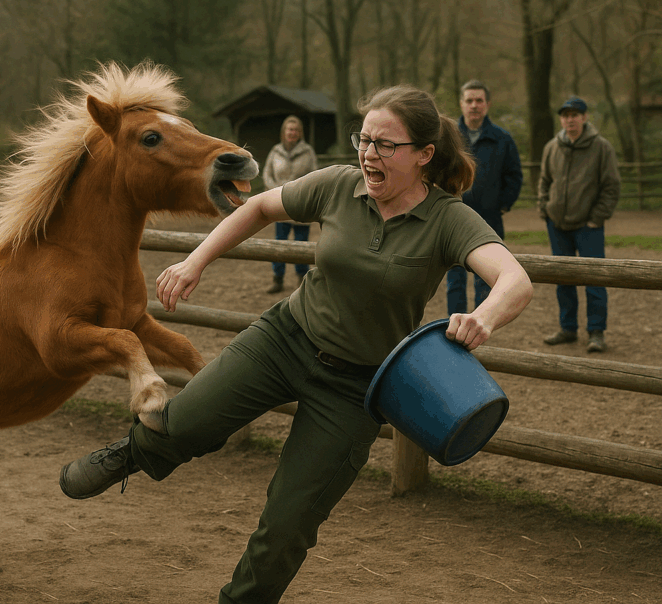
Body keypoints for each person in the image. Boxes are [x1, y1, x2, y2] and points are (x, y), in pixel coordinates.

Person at [59, 85, 533, 604]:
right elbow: (260, 206)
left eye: (385, 146)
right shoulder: (338, 186)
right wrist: (196, 260)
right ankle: (129, 455)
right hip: (284, 340)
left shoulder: (447, 219)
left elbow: (514, 279)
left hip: (356, 388)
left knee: (288, 523)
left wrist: (483, 317)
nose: (369, 154)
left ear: (424, 156)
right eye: (364, 140)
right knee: (187, 422)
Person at [539, 96, 621, 353]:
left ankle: (596, 332)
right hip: (558, 225)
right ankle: (568, 328)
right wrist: (545, 210)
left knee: (594, 278)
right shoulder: (552, 147)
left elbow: (611, 186)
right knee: (563, 279)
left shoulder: (601, 147)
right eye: (565, 115)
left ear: (585, 117)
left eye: (575, 115)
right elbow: (544, 181)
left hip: (589, 227)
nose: (570, 119)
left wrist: (596, 218)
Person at [447, 80, 524, 314]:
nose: (474, 105)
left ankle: (481, 327)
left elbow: (514, 176)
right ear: (461, 104)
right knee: (455, 279)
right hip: (453, 218)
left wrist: (502, 205)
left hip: (489, 218)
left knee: (487, 278)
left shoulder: (503, 139)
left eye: (479, 100)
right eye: (469, 100)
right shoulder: (448, 138)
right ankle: (453, 328)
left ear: (487, 104)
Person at [261, 115, 317, 293]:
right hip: (280, 204)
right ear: (284, 132)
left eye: (295, 130)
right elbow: (267, 174)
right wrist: (276, 191)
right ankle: (278, 280)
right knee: (279, 244)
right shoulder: (275, 151)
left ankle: (303, 281)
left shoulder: (308, 152)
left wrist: (301, 192)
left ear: (300, 133)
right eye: (289, 129)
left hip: (301, 205)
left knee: (301, 244)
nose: (292, 133)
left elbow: (316, 175)